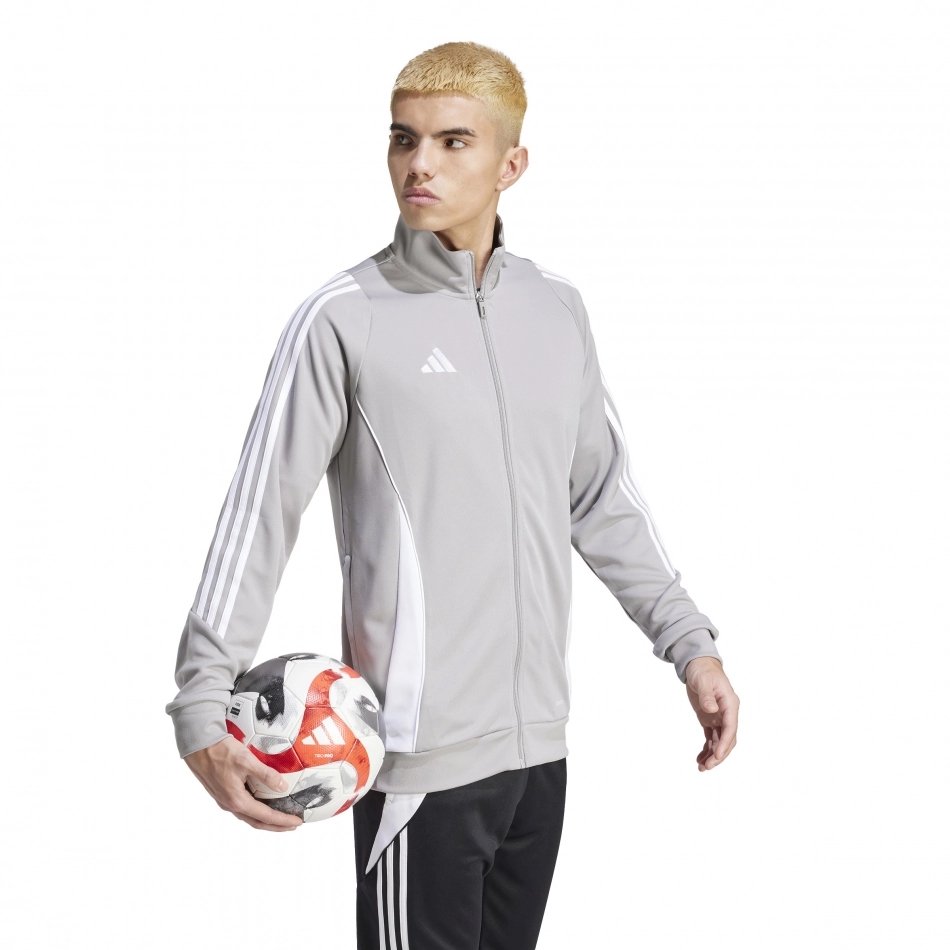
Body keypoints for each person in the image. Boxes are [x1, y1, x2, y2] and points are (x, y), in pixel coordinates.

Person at [166, 40, 739, 950]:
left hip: (538, 756)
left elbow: (598, 497)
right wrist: (202, 702)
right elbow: (260, 515)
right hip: (415, 768)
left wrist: (690, 646)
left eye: (452, 141)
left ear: (512, 164)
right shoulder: (344, 317)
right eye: (403, 139)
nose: (418, 165)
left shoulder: (556, 309)